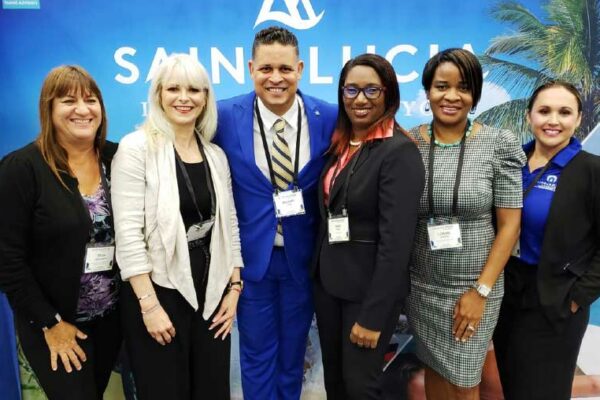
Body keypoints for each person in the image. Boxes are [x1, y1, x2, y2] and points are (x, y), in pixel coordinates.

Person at [213, 26, 337, 400]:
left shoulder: (329, 117)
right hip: (252, 261)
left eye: (285, 68)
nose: (276, 78)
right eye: (266, 68)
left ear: (300, 69)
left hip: (303, 259)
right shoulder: (223, 116)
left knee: (294, 355)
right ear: (251, 68)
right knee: (256, 356)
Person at [111, 53, 243, 400]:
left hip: (212, 291)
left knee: (213, 390)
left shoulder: (215, 155)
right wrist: (149, 306)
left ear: (206, 97)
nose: (184, 98)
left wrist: (234, 288)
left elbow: (229, 224)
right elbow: (128, 236)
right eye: (173, 89)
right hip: (157, 291)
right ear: (158, 95)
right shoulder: (136, 148)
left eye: (194, 90)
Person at [405, 48, 525, 399]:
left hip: (474, 288)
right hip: (421, 286)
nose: (452, 96)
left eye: (464, 87)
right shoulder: (408, 143)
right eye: (442, 86)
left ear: (475, 94)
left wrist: (480, 291)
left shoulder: (497, 143)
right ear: (428, 91)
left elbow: (510, 226)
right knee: (435, 370)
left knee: (463, 383)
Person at [0, 65, 121, 399]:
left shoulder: (118, 158)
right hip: (55, 325)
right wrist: (49, 323)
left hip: (111, 319)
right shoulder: (21, 168)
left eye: (91, 100)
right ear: (49, 109)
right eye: (69, 101)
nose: (83, 109)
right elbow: (7, 259)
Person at [311, 53, 425, 399]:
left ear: (389, 94)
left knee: (361, 387)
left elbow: (397, 243)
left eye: (371, 90)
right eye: (351, 90)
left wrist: (374, 316)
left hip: (368, 295)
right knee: (336, 384)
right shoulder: (341, 145)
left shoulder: (399, 151)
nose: (360, 99)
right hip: (330, 285)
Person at [493, 81, 600, 400]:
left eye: (564, 112)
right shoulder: (511, 164)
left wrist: (579, 295)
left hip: (555, 300)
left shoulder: (590, 171)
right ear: (529, 116)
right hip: (507, 295)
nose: (553, 120)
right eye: (544, 111)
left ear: (578, 119)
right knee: (514, 389)